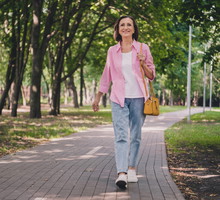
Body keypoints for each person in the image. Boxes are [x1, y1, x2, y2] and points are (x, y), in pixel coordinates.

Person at [92, 16, 155, 189]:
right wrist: (98, 96)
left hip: (139, 98)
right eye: (122, 25)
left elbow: (151, 75)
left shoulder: (143, 48)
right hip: (118, 98)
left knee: (135, 135)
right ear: (118, 29)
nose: (126, 27)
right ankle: (122, 173)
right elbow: (107, 75)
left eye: (129, 25)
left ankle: (132, 168)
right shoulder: (112, 51)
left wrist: (143, 63)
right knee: (120, 135)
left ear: (134, 29)